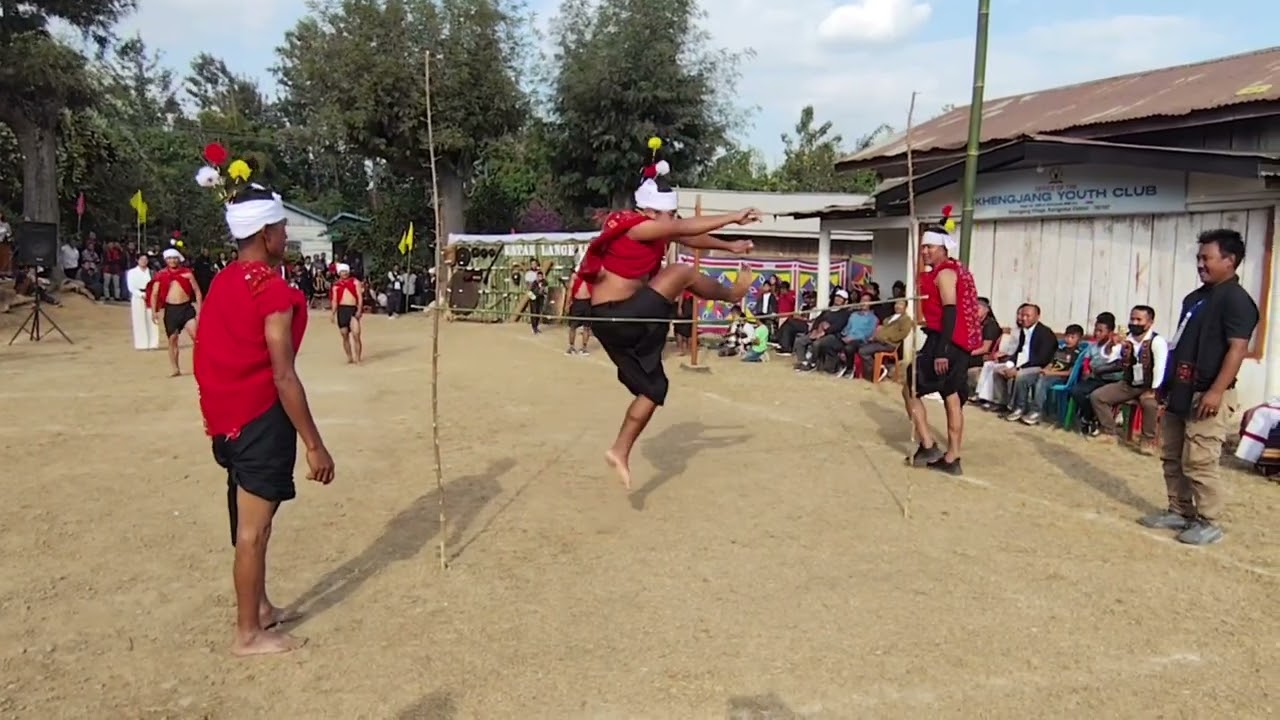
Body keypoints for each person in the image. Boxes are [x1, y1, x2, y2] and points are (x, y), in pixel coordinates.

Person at [193, 183, 334, 656]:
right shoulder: (271, 293)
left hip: (227, 422)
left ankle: (262, 607)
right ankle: (248, 633)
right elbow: (284, 375)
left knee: (250, 523)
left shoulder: (223, 281)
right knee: (252, 533)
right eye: (281, 227)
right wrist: (313, 443)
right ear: (266, 233)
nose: (286, 234)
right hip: (257, 421)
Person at [580, 154, 757, 489]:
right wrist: (734, 217)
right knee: (681, 272)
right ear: (649, 212)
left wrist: (729, 246)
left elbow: (686, 235)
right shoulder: (638, 226)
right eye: (670, 214)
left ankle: (620, 450)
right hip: (619, 313)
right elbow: (680, 229)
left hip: (616, 322)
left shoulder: (652, 228)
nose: (674, 219)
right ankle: (732, 295)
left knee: (654, 389)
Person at [1146, 228, 1259, 546]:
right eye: (1198, 258)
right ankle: (1179, 511)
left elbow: (1237, 349)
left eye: (1206, 258)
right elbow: (1181, 343)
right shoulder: (1196, 298)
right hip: (1181, 389)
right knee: (1172, 455)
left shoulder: (1237, 300)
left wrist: (1215, 391)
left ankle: (1209, 521)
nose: (1200, 264)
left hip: (1208, 393)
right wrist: (1166, 384)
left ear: (1229, 260)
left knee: (1199, 458)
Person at [904, 223, 982, 475]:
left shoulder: (945, 273)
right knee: (950, 396)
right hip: (949, 341)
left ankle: (931, 445)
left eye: (930, 246)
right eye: (923, 246)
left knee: (912, 386)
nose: (925, 251)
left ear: (943, 248)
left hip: (946, 341)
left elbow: (950, 310)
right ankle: (950, 456)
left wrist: (942, 350)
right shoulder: (945, 271)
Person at [1019, 323, 1084, 425]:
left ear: (1079, 339)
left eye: (1072, 337)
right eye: (1067, 336)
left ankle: (1036, 412)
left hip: (1060, 377)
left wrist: (1050, 372)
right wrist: (1045, 369)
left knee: (1041, 382)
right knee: (1024, 377)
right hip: (1049, 372)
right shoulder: (1060, 349)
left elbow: (1069, 373)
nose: (1069, 339)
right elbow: (1051, 363)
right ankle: (1020, 407)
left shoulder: (1076, 353)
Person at [151, 247, 202, 376]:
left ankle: (201, 365)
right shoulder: (161, 275)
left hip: (186, 308)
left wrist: (200, 310)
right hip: (171, 310)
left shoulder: (187, 273)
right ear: (166, 260)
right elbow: (154, 294)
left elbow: (197, 291)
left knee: (196, 337)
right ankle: (175, 368)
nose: (172, 261)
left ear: (178, 259)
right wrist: (153, 311)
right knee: (172, 339)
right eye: (169, 258)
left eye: (174, 258)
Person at [1071, 312, 1123, 435]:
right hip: (1095, 379)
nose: (1097, 333)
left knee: (1096, 395)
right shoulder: (1092, 346)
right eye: (1096, 330)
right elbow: (1086, 361)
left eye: (1101, 331)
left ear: (1110, 332)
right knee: (1076, 391)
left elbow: (1119, 364)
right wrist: (1086, 370)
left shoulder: (1116, 346)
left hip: (1112, 380)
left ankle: (1089, 419)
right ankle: (1090, 417)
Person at [330, 263, 364, 364]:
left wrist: (359, 309)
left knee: (356, 334)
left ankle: (357, 358)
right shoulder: (336, 286)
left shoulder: (355, 282)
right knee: (345, 335)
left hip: (352, 309)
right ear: (339, 273)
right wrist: (333, 313)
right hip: (342, 310)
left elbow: (359, 297)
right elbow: (334, 300)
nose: (344, 273)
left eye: (345, 271)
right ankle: (349, 357)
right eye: (342, 271)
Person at [125, 253, 159, 350]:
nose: (143, 261)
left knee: (152, 318)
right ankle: (141, 344)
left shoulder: (152, 272)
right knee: (139, 319)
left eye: (145, 259)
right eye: (141, 259)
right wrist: (141, 295)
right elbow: (131, 287)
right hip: (138, 297)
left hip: (151, 296)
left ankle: (153, 343)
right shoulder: (132, 272)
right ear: (137, 260)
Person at [565, 268, 594, 355]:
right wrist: (567, 303)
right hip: (577, 303)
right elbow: (570, 290)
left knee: (586, 327)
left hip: (588, 303)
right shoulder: (575, 276)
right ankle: (571, 346)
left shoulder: (590, 276)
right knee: (573, 326)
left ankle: (584, 347)